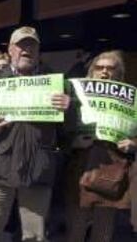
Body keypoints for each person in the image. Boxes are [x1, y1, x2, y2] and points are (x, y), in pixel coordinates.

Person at [0, 26, 70, 242]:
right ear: (10, 51)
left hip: (38, 169)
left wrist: (69, 110)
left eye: (32, 45)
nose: (26, 50)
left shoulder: (56, 83)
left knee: (35, 235)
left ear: (39, 51)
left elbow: (68, 131)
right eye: (21, 45)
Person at [65, 50, 136, 242]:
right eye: (99, 68)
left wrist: (133, 143)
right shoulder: (76, 94)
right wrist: (72, 140)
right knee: (76, 228)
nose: (104, 72)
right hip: (81, 166)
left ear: (119, 73)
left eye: (110, 68)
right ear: (92, 71)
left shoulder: (132, 99)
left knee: (103, 231)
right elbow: (61, 129)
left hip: (113, 171)